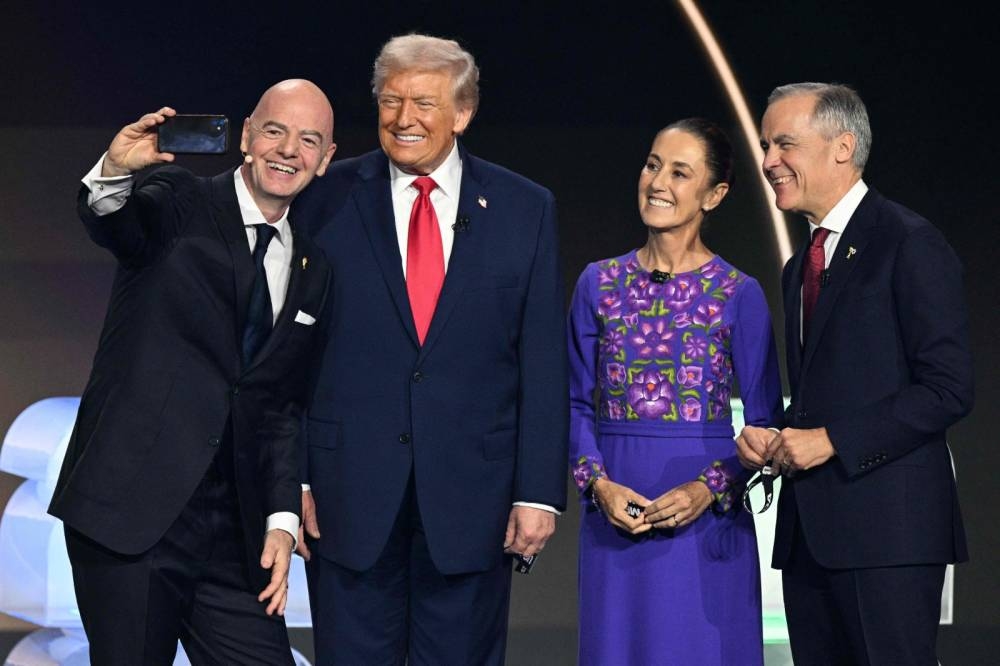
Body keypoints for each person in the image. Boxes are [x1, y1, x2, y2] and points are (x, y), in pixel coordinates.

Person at [291, 34, 568, 665]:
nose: (403, 118)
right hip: (345, 494)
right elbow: (294, 353)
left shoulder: (526, 209)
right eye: (391, 101)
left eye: (423, 102)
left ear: (462, 113)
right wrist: (296, 474)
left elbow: (543, 361)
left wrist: (537, 492)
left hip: (476, 497)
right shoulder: (327, 196)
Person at [47, 79, 337, 665]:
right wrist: (113, 171)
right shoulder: (178, 200)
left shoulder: (315, 267)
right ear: (248, 137)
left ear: (326, 160)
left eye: (309, 140)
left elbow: (282, 404)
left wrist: (281, 521)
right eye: (276, 131)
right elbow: (116, 223)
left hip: (235, 536)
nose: (289, 150)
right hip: (132, 519)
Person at [744, 82, 974, 664]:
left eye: (784, 144)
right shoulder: (800, 266)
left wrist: (831, 441)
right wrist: (779, 439)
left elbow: (947, 388)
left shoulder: (908, 242)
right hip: (808, 540)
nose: (769, 161)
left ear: (842, 147)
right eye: (767, 145)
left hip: (887, 538)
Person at [568, 118, 783, 665]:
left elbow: (764, 426)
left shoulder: (740, 293)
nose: (657, 181)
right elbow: (571, 402)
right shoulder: (598, 283)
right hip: (616, 518)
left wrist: (708, 489)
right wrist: (597, 485)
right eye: (652, 164)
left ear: (714, 194)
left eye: (679, 172)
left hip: (706, 525)